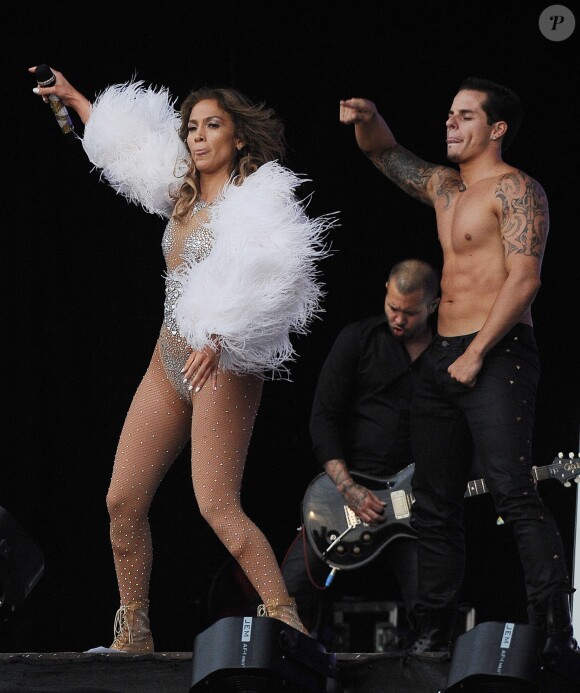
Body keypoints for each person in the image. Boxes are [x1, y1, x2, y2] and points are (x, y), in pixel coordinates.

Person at [29, 65, 336, 653]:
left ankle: (287, 621)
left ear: (238, 136)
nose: (197, 136)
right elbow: (126, 152)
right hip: (167, 359)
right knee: (121, 501)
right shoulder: (182, 191)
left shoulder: (257, 205)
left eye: (211, 125)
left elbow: (274, 278)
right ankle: (135, 628)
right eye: (190, 126)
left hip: (222, 365)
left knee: (217, 506)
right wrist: (73, 98)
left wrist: (221, 331)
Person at [339, 77, 579, 670]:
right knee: (433, 503)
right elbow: (383, 153)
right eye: (449, 114)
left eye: (465, 116)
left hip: (499, 351)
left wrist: (476, 355)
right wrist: (367, 115)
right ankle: (431, 634)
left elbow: (525, 279)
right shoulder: (446, 189)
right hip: (443, 355)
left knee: (513, 490)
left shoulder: (518, 190)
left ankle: (553, 632)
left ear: (495, 129)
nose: (450, 123)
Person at [282, 258, 440, 648]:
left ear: (433, 305)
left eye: (410, 312)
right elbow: (323, 417)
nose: (399, 319)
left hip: (411, 504)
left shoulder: (446, 357)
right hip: (345, 495)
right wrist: (348, 487)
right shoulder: (358, 339)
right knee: (288, 592)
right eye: (393, 308)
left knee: (431, 607)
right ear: (386, 288)